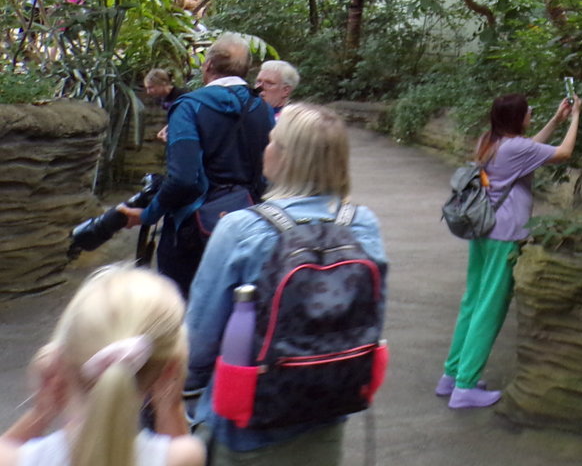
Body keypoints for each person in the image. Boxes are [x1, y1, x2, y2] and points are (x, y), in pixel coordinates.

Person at [186, 104, 386, 466]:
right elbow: (372, 317)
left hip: (248, 423)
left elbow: (199, 340)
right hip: (328, 410)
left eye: (272, 141)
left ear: (287, 157)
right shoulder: (362, 225)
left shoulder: (242, 229)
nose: (266, 147)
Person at [437, 90, 582, 409]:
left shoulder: (489, 140)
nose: (531, 113)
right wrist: (575, 118)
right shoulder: (516, 147)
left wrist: (555, 121)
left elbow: (531, 149)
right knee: (490, 308)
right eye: (528, 111)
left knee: (473, 301)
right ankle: (466, 387)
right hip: (504, 236)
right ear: (518, 118)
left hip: (482, 231)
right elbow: (563, 153)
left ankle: (452, 376)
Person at [0, 264, 205, 466]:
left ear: (60, 361)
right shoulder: (181, 457)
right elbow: (181, 448)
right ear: (168, 371)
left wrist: (42, 413)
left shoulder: (15, 459)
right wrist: (169, 407)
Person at [119, 34, 273, 296]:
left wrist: (148, 214)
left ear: (209, 66)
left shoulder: (189, 107)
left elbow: (183, 179)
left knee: (184, 304)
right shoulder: (262, 108)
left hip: (195, 230)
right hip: (249, 222)